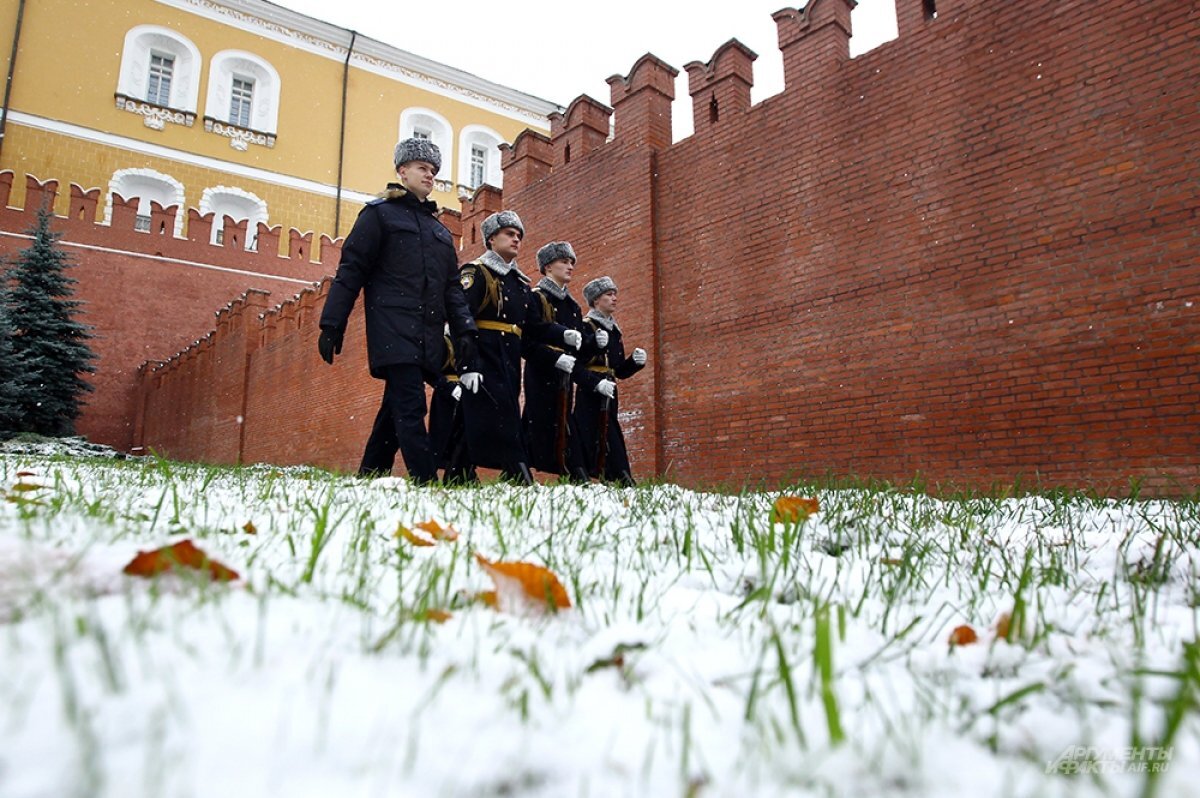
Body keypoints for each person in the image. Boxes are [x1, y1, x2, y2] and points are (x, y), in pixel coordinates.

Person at [316, 138, 477, 484]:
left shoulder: (438, 231)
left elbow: (452, 286)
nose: (430, 175)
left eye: (433, 171)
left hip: (428, 332)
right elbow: (351, 270)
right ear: (402, 171)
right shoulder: (379, 215)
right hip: (392, 326)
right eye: (422, 168)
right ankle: (425, 481)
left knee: (395, 407)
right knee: (411, 403)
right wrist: (332, 323)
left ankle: (369, 474)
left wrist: (464, 329)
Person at [457, 211, 580, 484]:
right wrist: (467, 364)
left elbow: (533, 327)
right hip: (483, 353)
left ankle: (459, 470)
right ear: (491, 239)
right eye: (509, 234)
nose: (516, 239)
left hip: (509, 357)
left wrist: (563, 334)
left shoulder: (520, 283)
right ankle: (519, 476)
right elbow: (462, 320)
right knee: (497, 416)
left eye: (519, 236)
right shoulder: (476, 272)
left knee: (485, 416)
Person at [520, 241, 606, 482]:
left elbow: (580, 351)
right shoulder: (535, 298)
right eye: (564, 261)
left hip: (566, 374)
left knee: (563, 420)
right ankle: (520, 470)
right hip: (541, 370)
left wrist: (594, 343)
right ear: (548, 267)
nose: (570, 267)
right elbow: (527, 343)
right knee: (537, 420)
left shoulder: (573, 306)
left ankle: (573, 471)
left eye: (572, 262)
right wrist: (555, 357)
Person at [574, 276, 646, 486]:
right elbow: (576, 365)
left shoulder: (614, 330)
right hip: (590, 389)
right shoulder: (586, 326)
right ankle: (584, 476)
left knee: (610, 431)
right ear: (596, 300)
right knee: (587, 433)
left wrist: (634, 362)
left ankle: (616, 475)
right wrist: (595, 384)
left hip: (610, 388)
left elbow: (618, 370)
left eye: (615, 294)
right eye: (609, 294)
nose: (614, 298)